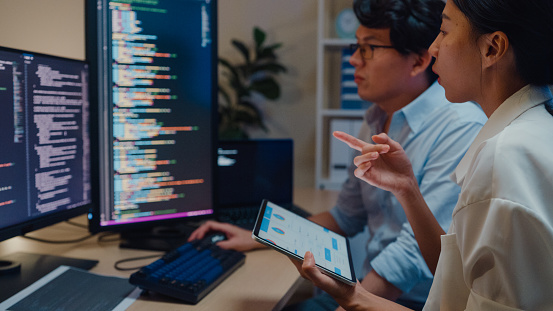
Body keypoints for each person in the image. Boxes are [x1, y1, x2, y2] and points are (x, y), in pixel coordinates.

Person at [189, 0, 487, 309]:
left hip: (411, 303)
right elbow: (346, 215)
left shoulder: (459, 126)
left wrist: (351, 304)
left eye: (369, 49)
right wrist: (255, 237)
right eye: (355, 46)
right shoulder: (375, 116)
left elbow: (410, 257)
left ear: (418, 61)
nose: (354, 60)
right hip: (366, 291)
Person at [294, 0, 553, 310]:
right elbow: (456, 280)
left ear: (492, 48)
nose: (433, 48)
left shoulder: (505, 155)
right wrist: (406, 188)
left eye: (443, 31)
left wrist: (354, 298)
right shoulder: (524, 132)